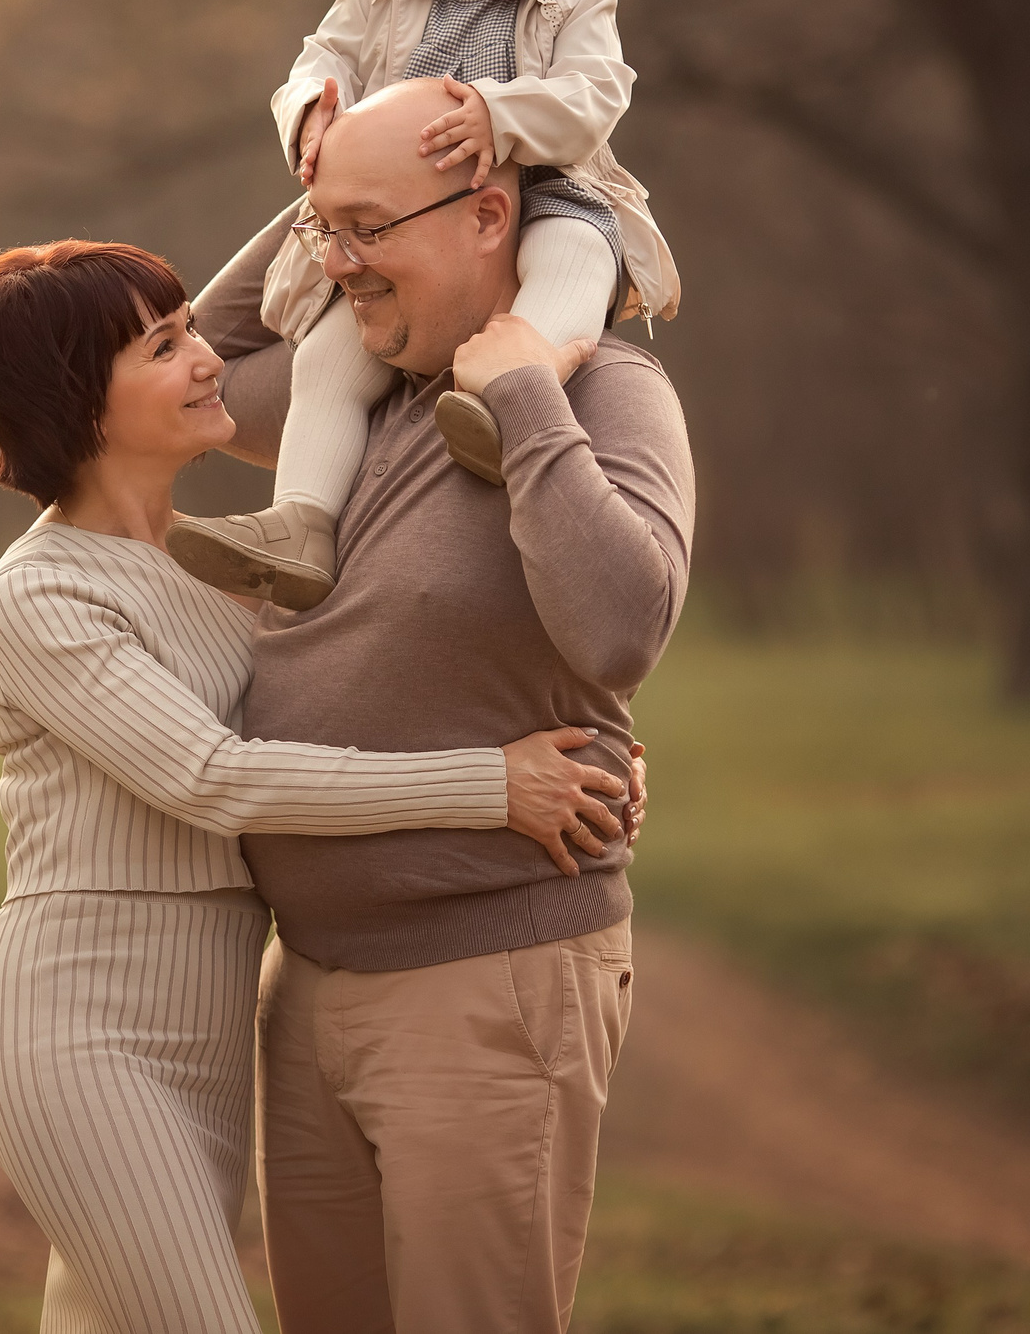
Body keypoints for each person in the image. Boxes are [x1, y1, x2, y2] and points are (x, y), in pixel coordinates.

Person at [0, 239, 638, 1334]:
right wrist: (491, 784)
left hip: (214, 1034)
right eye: (162, 347)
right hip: (81, 1037)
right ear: (75, 399)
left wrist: (342, 160)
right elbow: (212, 777)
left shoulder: (233, 567)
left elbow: (354, 694)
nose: (208, 358)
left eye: (187, 328)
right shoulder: (40, 592)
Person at [198, 79, 695, 1332]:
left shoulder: (608, 394)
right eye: (327, 234)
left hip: (486, 981)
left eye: (371, 231)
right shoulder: (353, 385)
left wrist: (524, 389)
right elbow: (202, 357)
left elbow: (622, 630)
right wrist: (328, 171)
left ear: (487, 214)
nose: (338, 267)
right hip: (305, 984)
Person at [169, 0, 682, 611]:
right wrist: (313, 113)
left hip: (544, 185)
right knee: (332, 356)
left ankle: (514, 395)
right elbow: (323, 57)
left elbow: (596, 95)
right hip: (400, 214)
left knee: (573, 261)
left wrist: (499, 115)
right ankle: (302, 520)